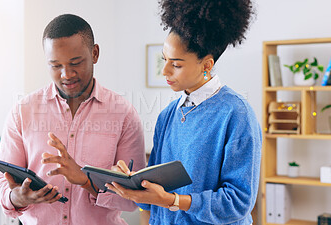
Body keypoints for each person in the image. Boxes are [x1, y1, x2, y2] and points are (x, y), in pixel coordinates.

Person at [106, 0, 262, 224]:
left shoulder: (236, 114)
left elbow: (238, 202)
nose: (165, 71)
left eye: (176, 65)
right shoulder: (168, 114)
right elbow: (152, 200)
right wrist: (131, 183)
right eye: (164, 60)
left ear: (207, 65)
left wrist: (173, 201)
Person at [0, 14, 146, 225]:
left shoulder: (124, 114)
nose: (66, 74)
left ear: (95, 53)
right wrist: (17, 197)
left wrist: (85, 181)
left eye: (75, 62)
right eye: (55, 66)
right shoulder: (22, 111)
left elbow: (135, 199)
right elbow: (1, 180)